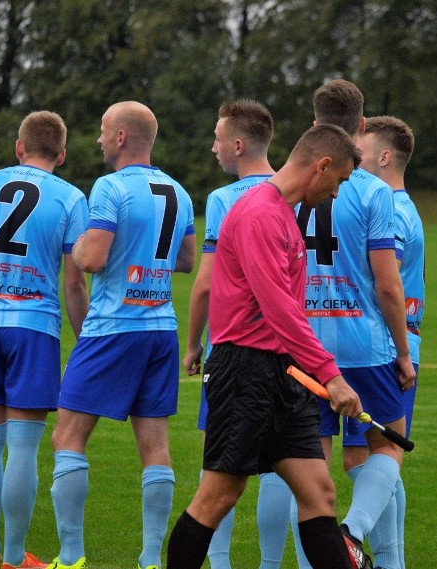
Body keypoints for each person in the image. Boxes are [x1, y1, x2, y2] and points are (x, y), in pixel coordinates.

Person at [166, 124, 372, 569]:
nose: (336, 194)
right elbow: (279, 309)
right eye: (338, 182)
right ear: (323, 166)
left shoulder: (282, 212)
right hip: (244, 373)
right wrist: (331, 376)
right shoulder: (260, 213)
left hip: (283, 375)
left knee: (320, 493)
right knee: (217, 496)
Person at [46, 101, 196, 569]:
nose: (98, 139)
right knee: (155, 445)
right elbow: (187, 260)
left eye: (104, 130)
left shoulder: (109, 188)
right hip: (161, 329)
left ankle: (71, 557)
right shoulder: (179, 191)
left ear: (123, 138)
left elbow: (90, 260)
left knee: (67, 437)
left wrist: (81, 244)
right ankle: (152, 560)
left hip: (113, 326)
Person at [0, 111, 89, 569]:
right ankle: (14, 556)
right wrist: (85, 341)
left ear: (18, 146)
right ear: (63, 154)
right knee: (25, 447)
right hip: (34, 326)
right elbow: (74, 284)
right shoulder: (71, 198)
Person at [291, 80, 416, 569]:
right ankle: (353, 532)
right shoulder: (372, 191)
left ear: (314, 121)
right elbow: (389, 286)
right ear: (361, 127)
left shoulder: (290, 185)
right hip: (364, 345)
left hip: (305, 349)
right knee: (389, 442)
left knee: (308, 472)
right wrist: (403, 353)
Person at [183, 99, 293, 569]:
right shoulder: (294, 190)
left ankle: (221, 563)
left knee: (221, 469)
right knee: (280, 466)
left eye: (218, 137)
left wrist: (192, 343)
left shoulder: (226, 199)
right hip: (290, 348)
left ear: (239, 144)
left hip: (238, 350)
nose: (213, 147)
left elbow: (205, 283)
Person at [354, 116, 424, 569]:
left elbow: (388, 279)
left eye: (359, 152)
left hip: (383, 348)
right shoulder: (397, 204)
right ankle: (390, 563)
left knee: (376, 455)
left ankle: (351, 535)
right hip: (388, 345)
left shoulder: (392, 208)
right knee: (381, 457)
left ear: (383, 157)